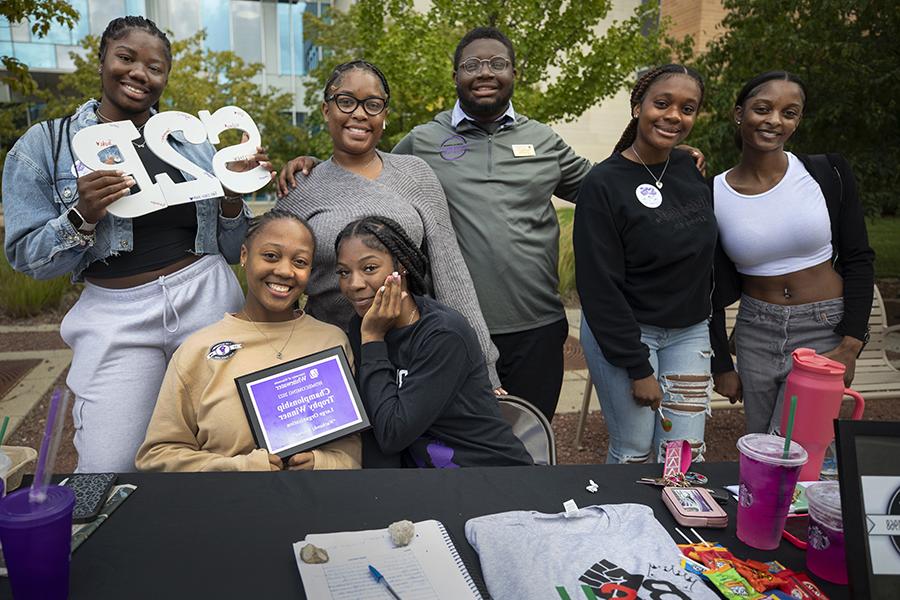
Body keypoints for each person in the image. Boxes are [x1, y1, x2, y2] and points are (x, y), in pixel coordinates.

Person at [1, 16, 271, 473]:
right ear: (102, 59)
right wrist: (80, 216)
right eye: (126, 58)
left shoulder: (190, 141)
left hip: (205, 294)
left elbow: (232, 249)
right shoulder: (45, 145)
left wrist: (231, 199)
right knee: (109, 464)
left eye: (155, 67)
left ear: (166, 76)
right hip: (115, 314)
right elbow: (28, 257)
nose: (140, 74)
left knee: (229, 451)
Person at [274, 60, 501, 389]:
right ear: (326, 110)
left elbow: (451, 272)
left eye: (373, 104)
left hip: (416, 352)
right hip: (332, 355)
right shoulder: (301, 187)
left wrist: (483, 368)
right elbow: (265, 261)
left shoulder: (415, 174)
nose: (360, 114)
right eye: (346, 101)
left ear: (385, 115)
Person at [710, 71, 875, 434]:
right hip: (756, 330)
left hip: (824, 328)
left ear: (798, 121)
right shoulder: (713, 192)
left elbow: (859, 257)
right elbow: (707, 287)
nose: (774, 121)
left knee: (800, 445)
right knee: (762, 444)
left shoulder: (827, 173)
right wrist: (721, 362)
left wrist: (850, 342)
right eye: (763, 108)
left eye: (789, 112)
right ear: (739, 113)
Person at [136, 210, 361, 472]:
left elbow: (352, 450)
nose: (285, 270)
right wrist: (239, 468)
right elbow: (157, 455)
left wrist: (322, 463)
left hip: (315, 501)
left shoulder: (331, 342)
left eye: (299, 262)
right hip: (227, 503)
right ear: (244, 256)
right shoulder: (198, 349)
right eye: (270, 256)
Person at [574, 65, 716, 464]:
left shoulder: (690, 169)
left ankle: (674, 527)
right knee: (634, 450)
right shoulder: (602, 184)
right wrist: (638, 367)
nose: (674, 116)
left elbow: (704, 266)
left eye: (687, 109)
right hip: (626, 332)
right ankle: (623, 526)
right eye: (662, 103)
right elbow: (599, 285)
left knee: (682, 454)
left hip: (688, 333)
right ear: (638, 107)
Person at [335, 216, 533, 468]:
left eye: (370, 268)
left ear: (402, 266)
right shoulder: (361, 325)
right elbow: (374, 423)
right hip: (426, 482)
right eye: (343, 272)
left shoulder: (442, 334)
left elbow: (392, 433)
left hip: (486, 470)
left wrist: (373, 340)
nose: (354, 284)